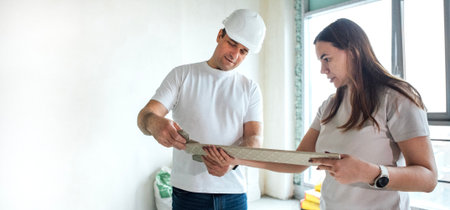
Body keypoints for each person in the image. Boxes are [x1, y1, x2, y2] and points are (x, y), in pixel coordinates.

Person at [203, 18, 438, 210]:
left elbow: (428, 178)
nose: (322, 70)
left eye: (327, 59)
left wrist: (371, 173)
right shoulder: (330, 105)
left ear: (354, 52)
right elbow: (298, 161)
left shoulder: (397, 98)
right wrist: (237, 159)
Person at [137, 9, 266, 210]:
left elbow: (255, 140)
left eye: (243, 51)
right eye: (232, 43)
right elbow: (144, 117)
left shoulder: (250, 89)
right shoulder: (182, 75)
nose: (235, 55)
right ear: (219, 35)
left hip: (234, 194)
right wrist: (155, 124)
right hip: (189, 193)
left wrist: (232, 162)